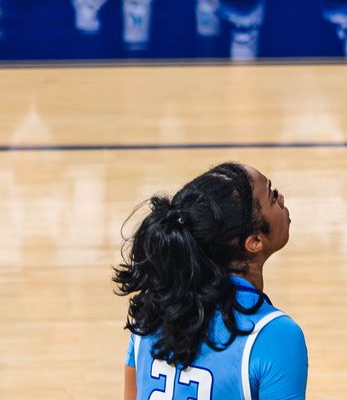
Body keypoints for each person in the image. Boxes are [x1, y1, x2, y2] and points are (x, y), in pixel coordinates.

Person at [114, 162, 306, 400]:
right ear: (254, 240)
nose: (282, 199)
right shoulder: (276, 336)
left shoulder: (153, 311)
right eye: (272, 195)